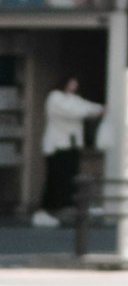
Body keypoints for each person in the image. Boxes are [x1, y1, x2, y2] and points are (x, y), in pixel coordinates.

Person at [35, 73, 105, 226]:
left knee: (70, 178)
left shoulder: (73, 99)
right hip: (57, 146)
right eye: (71, 82)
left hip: (71, 145)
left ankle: (65, 209)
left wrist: (99, 109)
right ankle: (47, 210)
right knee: (55, 179)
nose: (74, 85)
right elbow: (75, 111)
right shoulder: (55, 97)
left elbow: (85, 106)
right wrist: (94, 111)